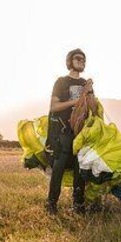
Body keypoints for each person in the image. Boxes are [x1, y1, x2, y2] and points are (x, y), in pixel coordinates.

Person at [46, 48, 92, 214]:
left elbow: (92, 108)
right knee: (59, 166)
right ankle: (51, 203)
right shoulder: (61, 82)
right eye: (78, 58)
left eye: (84, 60)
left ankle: (78, 205)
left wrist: (90, 93)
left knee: (80, 167)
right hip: (64, 130)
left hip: (82, 132)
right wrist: (76, 101)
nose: (81, 61)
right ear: (69, 61)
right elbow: (54, 106)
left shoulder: (85, 83)